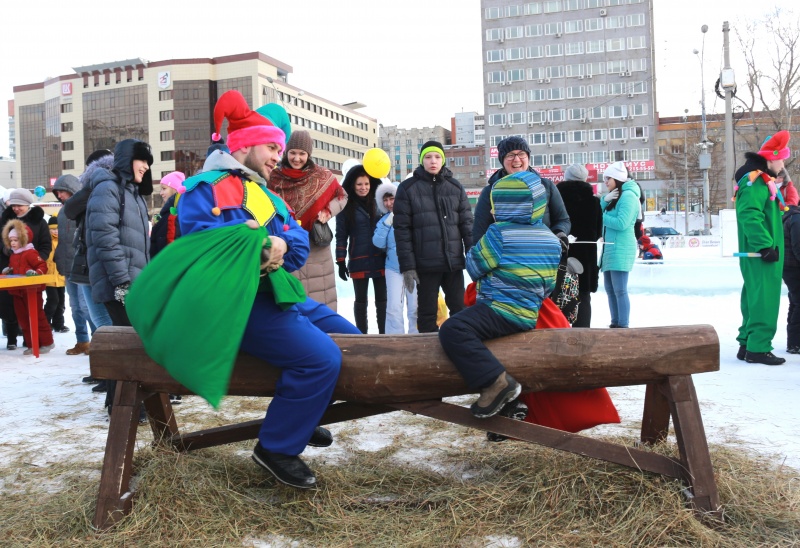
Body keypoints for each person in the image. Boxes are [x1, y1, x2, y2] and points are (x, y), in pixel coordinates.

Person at [171, 90, 360, 489]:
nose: (279, 154)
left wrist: (275, 246)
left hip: (279, 294)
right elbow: (208, 246)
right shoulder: (203, 189)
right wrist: (262, 247)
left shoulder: (265, 191)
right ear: (245, 145)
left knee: (351, 337)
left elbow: (298, 244)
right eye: (273, 147)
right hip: (238, 305)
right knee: (322, 358)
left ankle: (299, 418)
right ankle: (276, 448)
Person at [438, 171, 561, 418]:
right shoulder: (552, 239)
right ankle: (509, 409)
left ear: (505, 206)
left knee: (454, 329)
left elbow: (474, 267)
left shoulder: (499, 234)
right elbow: (549, 286)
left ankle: (497, 383)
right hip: (528, 314)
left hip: (499, 308)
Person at [85, 138, 154, 413]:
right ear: (128, 160)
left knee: (127, 341)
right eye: (142, 160)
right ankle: (126, 407)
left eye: (149, 163)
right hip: (119, 283)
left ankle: (119, 403)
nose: (146, 167)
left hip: (133, 281)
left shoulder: (132, 193)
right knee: (129, 343)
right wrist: (122, 282)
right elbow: (105, 237)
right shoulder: (108, 188)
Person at [393, 141, 473, 333]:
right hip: (425, 264)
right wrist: (408, 266)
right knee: (427, 313)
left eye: (437, 157)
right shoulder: (408, 189)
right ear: (421, 161)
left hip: (453, 263)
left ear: (443, 160)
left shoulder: (455, 187)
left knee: (459, 309)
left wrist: (472, 256)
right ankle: (427, 354)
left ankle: (460, 344)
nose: (433, 161)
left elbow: (467, 225)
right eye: (428, 157)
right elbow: (402, 230)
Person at [269, 130, 347, 310]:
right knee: (294, 305)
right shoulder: (273, 177)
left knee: (322, 304)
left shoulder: (322, 176)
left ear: (308, 154)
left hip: (316, 248)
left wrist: (328, 211)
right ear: (286, 152)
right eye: (293, 153)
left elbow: (342, 196)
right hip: (287, 246)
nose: (297, 158)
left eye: (302, 153)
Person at [733, 131, 791, 366]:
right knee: (765, 299)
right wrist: (765, 245)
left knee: (754, 298)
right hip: (763, 253)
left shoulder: (756, 180)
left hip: (758, 253)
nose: (783, 164)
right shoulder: (757, 181)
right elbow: (750, 215)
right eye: (781, 160)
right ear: (770, 159)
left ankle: (747, 343)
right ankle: (758, 348)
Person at [62, 150, 116, 386]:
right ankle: (105, 372)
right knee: (98, 320)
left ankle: (112, 375)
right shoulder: (102, 188)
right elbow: (71, 210)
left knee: (104, 322)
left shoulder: (104, 187)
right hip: (88, 261)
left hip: (97, 263)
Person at [472, 135, 571, 242]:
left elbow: (563, 220)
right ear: (502, 160)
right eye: (510, 155)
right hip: (507, 256)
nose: (516, 159)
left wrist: (559, 233)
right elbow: (479, 231)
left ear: (528, 158)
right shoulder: (490, 191)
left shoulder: (546, 186)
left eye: (521, 154)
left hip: (543, 254)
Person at [335, 165, 387, 333]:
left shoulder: (379, 202)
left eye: (366, 184)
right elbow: (341, 235)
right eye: (359, 184)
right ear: (352, 185)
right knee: (361, 300)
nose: (363, 188)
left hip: (381, 258)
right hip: (359, 259)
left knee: (382, 299)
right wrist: (341, 260)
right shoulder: (346, 206)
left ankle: (383, 333)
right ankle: (361, 334)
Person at [0, 188, 52, 351]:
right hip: (12, 268)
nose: (16, 208)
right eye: (13, 205)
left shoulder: (39, 221)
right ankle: (27, 340)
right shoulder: (5, 219)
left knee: (35, 311)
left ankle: (42, 341)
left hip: (31, 271)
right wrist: (8, 251)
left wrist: (35, 259)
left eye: (20, 205)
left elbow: (45, 245)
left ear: (28, 204)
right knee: (14, 309)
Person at [52, 173, 94, 356]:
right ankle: (82, 340)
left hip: (83, 266)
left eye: (62, 192)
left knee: (87, 307)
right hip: (68, 267)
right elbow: (62, 241)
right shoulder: (62, 212)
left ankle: (99, 340)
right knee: (75, 307)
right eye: (58, 193)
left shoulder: (85, 208)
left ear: (72, 190)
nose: (59, 196)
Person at [557, 163, 602, 328]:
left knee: (557, 293)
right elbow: (598, 232)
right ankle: (583, 332)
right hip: (585, 256)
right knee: (583, 297)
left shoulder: (556, 200)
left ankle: (558, 330)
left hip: (560, 252)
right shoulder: (594, 203)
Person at [373, 181, 417, 334]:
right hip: (393, 268)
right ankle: (394, 339)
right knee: (393, 308)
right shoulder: (383, 220)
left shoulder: (412, 216)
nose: (389, 203)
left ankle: (418, 339)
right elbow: (378, 242)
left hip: (413, 267)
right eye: (385, 200)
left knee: (415, 307)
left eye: (391, 198)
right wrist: (387, 223)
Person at [599, 161, 640, 329]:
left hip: (621, 247)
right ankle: (615, 323)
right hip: (610, 247)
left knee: (620, 290)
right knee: (610, 289)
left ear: (617, 178)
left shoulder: (628, 196)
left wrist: (600, 217)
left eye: (608, 178)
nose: (606, 182)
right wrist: (603, 201)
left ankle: (623, 325)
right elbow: (599, 211)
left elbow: (622, 223)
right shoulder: (615, 196)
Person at [150, 171, 185, 258]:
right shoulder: (167, 212)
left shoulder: (175, 214)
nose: (161, 193)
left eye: (164, 188)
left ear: (175, 189)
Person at [781, 198, 800, 354]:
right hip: (794, 268)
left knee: (795, 302)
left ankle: (793, 342)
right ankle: (794, 343)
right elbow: (798, 246)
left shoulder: (793, 216)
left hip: (790, 267)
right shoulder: (796, 219)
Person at [44, 214, 67, 332]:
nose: (56, 231)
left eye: (58, 228)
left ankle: (59, 324)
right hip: (49, 276)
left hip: (61, 276)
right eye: (53, 229)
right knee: (53, 301)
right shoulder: (47, 242)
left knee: (61, 302)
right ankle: (45, 323)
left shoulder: (63, 241)